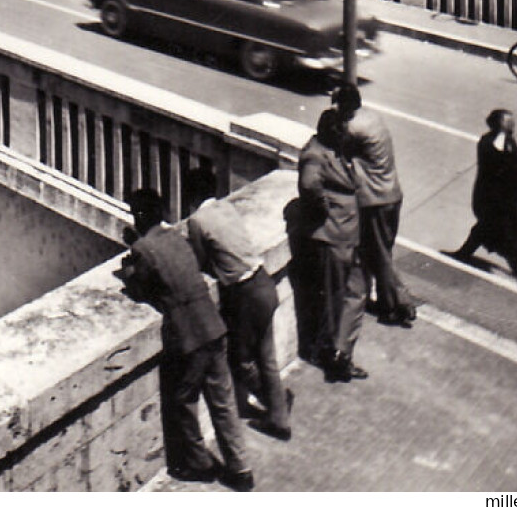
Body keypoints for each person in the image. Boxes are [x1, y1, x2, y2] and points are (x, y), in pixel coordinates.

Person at [117, 188, 254, 491]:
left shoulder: (144, 248)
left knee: (183, 400)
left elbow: (139, 287)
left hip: (188, 337)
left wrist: (130, 263)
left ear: (140, 217)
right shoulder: (178, 238)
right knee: (223, 403)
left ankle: (199, 464)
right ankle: (241, 468)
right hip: (213, 327)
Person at [183, 168, 292, 441]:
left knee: (241, 360)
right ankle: (279, 410)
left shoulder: (197, 221)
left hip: (245, 294)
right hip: (263, 282)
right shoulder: (227, 208)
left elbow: (199, 261)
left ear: (192, 196)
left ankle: (273, 403)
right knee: (266, 357)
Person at [298, 102, 369, 383]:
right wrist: (325, 211)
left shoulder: (333, 150)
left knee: (354, 293)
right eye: (341, 131)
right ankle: (334, 357)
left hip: (347, 236)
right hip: (333, 238)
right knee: (335, 300)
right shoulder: (315, 155)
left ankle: (340, 352)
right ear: (330, 131)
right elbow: (309, 186)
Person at [334, 83, 415, 328]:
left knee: (378, 255)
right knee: (383, 252)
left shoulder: (352, 127)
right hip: (392, 194)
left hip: (375, 199)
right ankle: (388, 304)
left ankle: (399, 306)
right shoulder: (372, 117)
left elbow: (338, 149)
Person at [450, 110, 517, 294]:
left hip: (506, 202)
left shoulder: (508, 142)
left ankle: (463, 253)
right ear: (498, 124)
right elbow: (497, 163)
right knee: (511, 239)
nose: (512, 125)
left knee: (484, 230)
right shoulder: (486, 144)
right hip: (491, 201)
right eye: (508, 122)